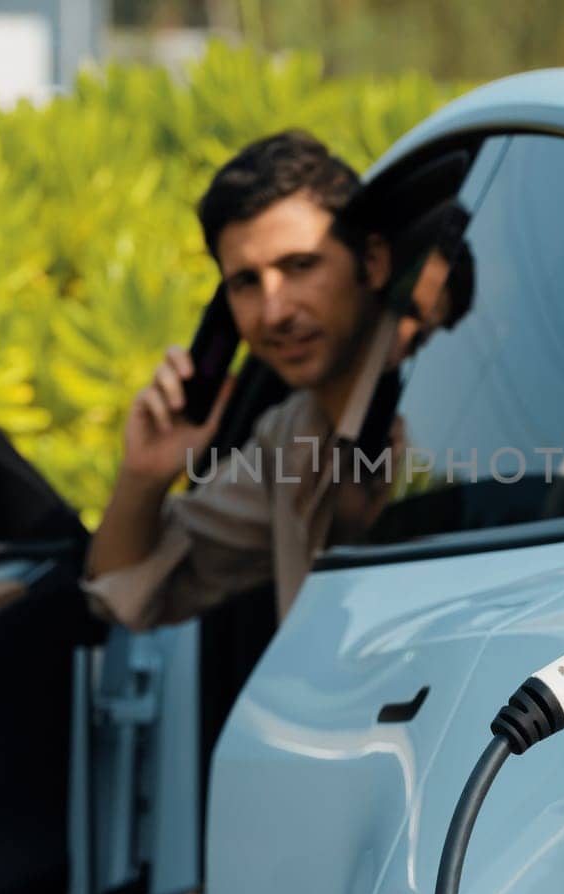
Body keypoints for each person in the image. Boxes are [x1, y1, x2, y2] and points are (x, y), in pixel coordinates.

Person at [84, 127, 398, 636]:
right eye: (246, 283)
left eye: (300, 266)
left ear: (375, 262)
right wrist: (145, 475)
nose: (274, 313)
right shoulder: (288, 440)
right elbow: (129, 595)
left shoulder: (446, 397)